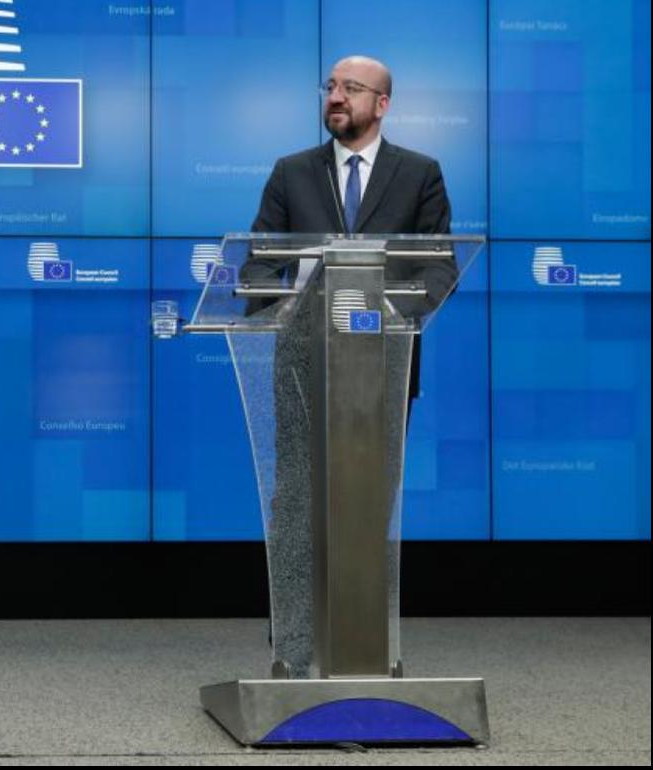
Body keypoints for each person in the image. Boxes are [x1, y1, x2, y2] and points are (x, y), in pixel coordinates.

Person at [240, 56, 456, 678]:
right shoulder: (291, 173)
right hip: (303, 367)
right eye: (330, 88)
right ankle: (295, 651)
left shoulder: (420, 175)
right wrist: (285, 304)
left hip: (381, 367)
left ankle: (365, 652)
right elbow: (256, 266)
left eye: (351, 89)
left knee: (370, 505)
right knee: (297, 502)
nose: (336, 97)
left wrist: (392, 307)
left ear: (381, 104)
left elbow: (439, 264)